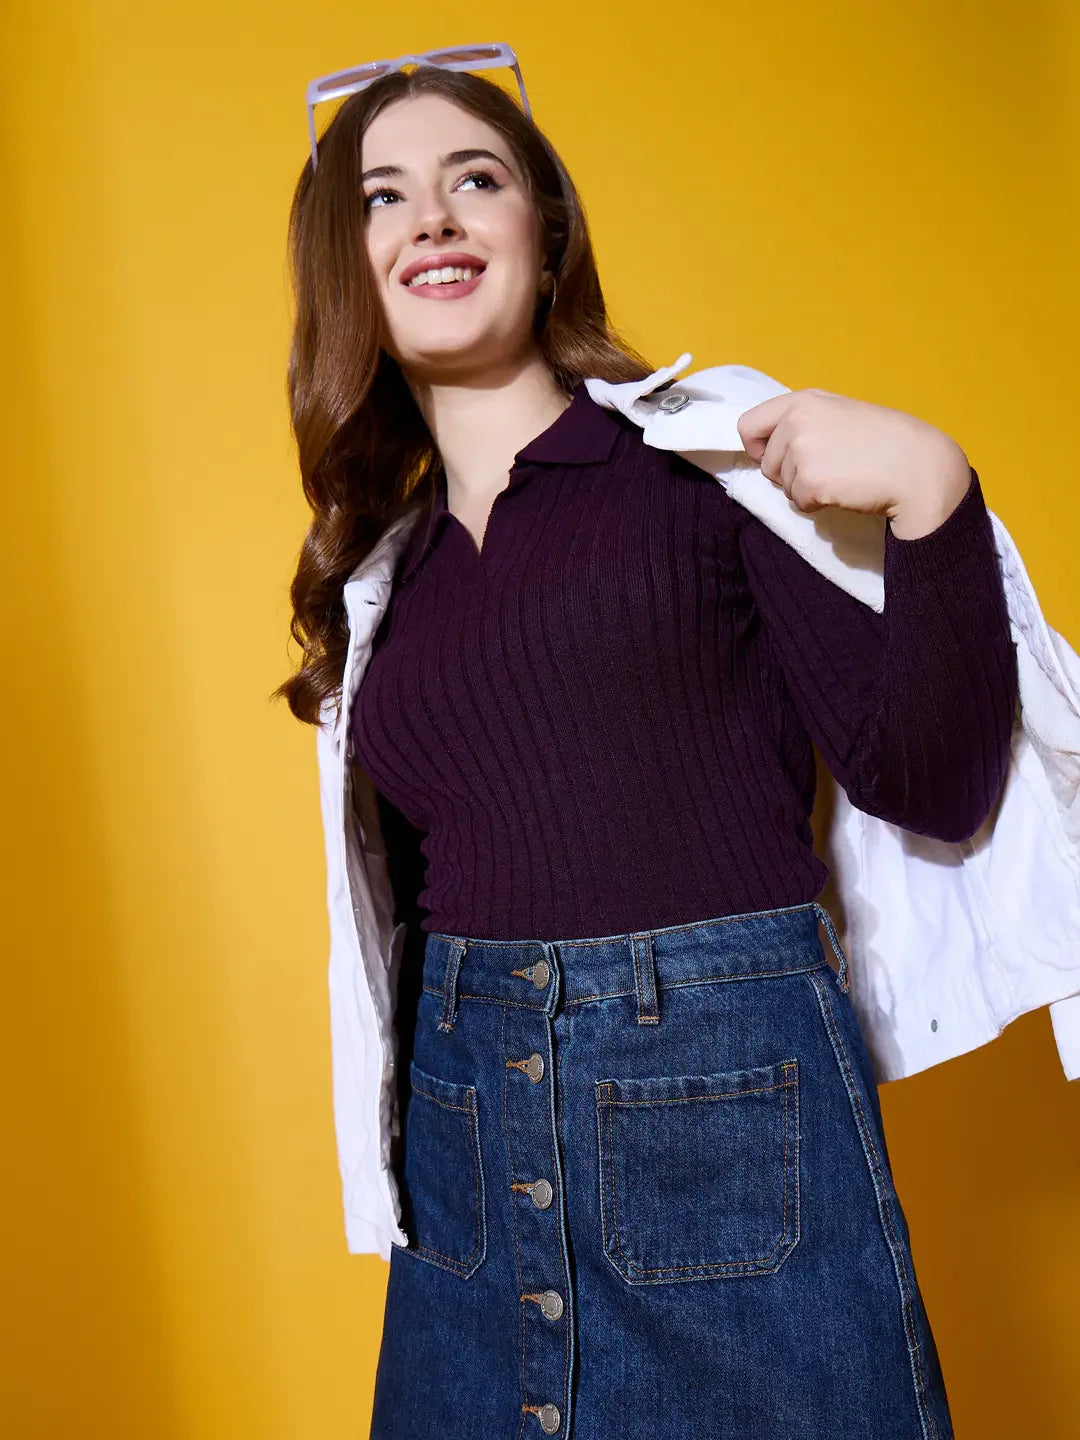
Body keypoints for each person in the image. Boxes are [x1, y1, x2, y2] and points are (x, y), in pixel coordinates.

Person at [275, 54, 1018, 1440]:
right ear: (348, 267)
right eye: (383, 198)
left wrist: (933, 491)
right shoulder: (390, 580)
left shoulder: (705, 471)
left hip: (723, 1103)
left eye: (472, 180)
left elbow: (937, 782)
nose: (430, 218)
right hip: (462, 1133)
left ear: (543, 229)